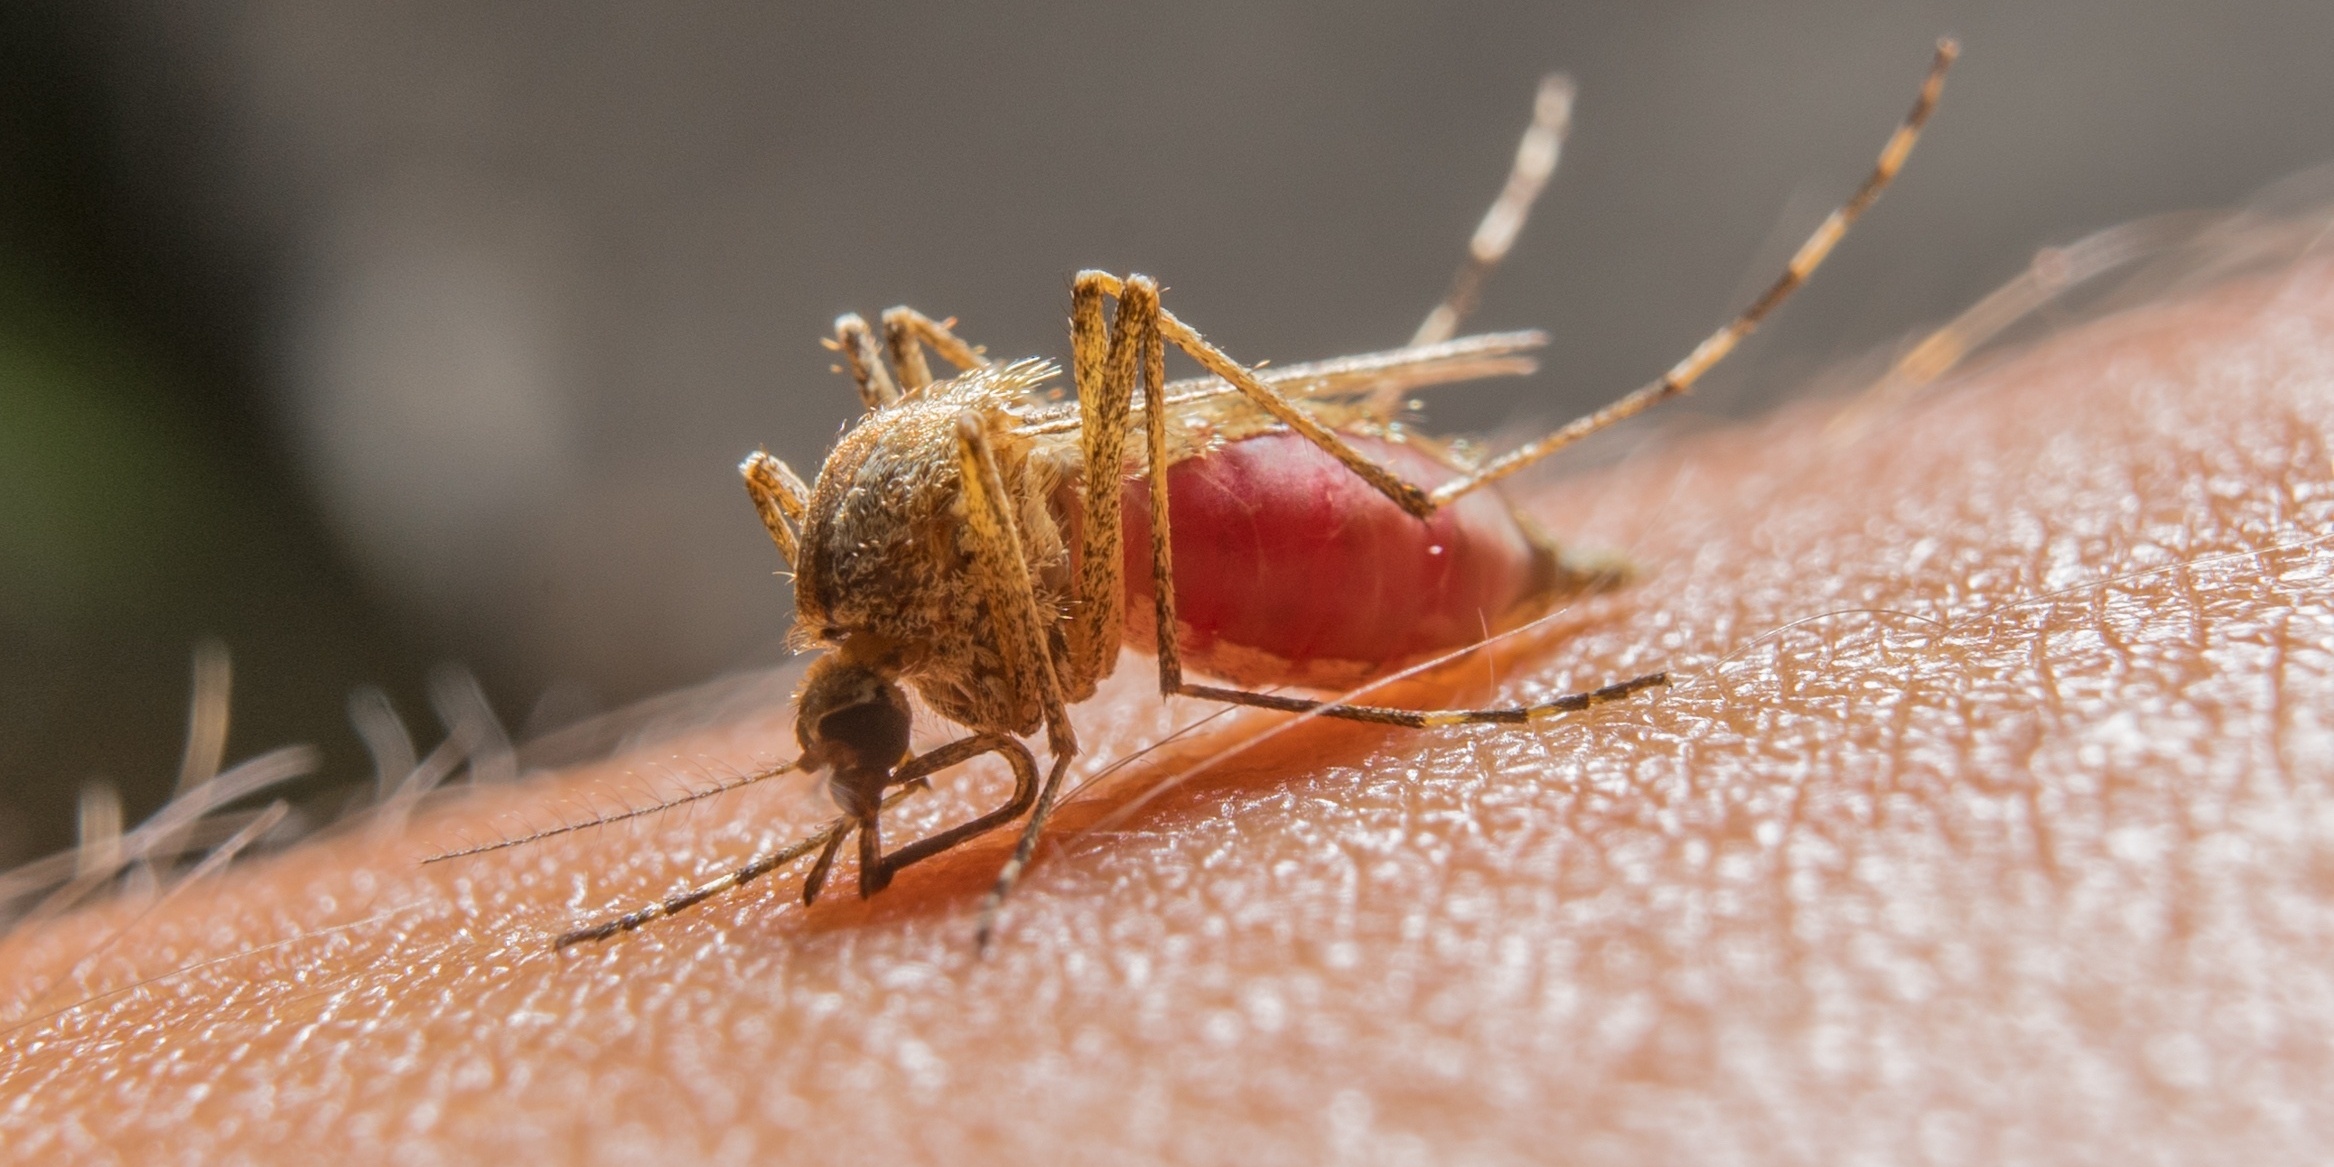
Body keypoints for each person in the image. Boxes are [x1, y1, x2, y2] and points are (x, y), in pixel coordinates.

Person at [3, 233, 2330, 1164]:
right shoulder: (862, 587)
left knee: (1104, 335)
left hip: (1220, 536)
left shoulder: (932, 609)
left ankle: (1473, 557)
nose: (868, 785)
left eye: (866, 770)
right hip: (1096, 548)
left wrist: (1026, 793)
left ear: (877, 701)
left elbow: (995, 514)